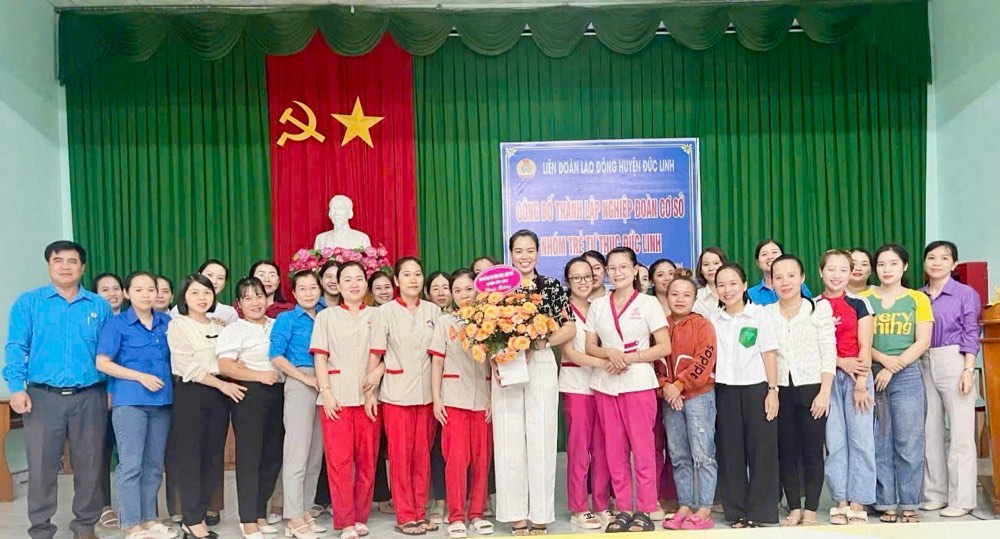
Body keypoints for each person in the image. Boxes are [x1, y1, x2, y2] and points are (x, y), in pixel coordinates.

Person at [4, 241, 112, 539]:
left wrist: (111, 391)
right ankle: (40, 529)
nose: (65, 266)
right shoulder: (29, 302)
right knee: (41, 467)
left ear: (83, 267)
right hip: (42, 397)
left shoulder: (98, 306)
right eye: (58, 260)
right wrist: (16, 388)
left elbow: (111, 353)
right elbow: (15, 346)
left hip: (90, 395)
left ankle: (85, 526)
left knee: (90, 465)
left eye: (72, 261)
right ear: (48, 265)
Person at [492, 230, 576, 536]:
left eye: (530, 250)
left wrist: (539, 344)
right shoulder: (499, 286)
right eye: (518, 250)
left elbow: (569, 328)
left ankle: (540, 515)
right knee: (508, 438)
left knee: (541, 437)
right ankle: (515, 515)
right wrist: (495, 360)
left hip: (540, 363)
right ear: (510, 253)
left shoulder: (550, 286)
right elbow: (484, 330)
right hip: (507, 364)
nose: (524, 256)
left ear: (538, 253)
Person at [583, 247, 671, 533]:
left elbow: (664, 346)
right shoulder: (598, 305)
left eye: (623, 267)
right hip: (605, 384)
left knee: (644, 449)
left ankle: (645, 508)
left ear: (635, 270)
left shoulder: (647, 304)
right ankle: (623, 508)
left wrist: (629, 358)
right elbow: (589, 346)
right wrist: (609, 353)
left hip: (638, 383)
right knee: (614, 450)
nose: (617, 273)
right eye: (612, 268)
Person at [364, 257, 442, 536]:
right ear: (396, 281)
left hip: (426, 396)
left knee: (422, 455)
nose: (413, 279)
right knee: (400, 456)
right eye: (406, 275)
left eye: (418, 274)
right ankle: (405, 514)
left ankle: (421, 511)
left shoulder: (434, 311)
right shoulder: (385, 312)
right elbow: (376, 352)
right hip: (396, 394)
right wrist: (370, 391)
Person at [96, 271, 176, 539]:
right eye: (139, 290)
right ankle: (130, 524)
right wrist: (140, 376)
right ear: (128, 294)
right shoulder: (117, 324)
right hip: (130, 402)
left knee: (154, 465)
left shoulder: (167, 322)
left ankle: (150, 518)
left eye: (151, 290)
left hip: (163, 403)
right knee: (131, 465)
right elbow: (103, 363)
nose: (146, 295)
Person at [167, 274, 247, 539]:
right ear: (184, 297)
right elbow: (186, 366)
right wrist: (222, 385)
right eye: (195, 293)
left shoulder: (220, 324)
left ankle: (199, 513)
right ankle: (192, 519)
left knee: (213, 457)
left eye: (207, 292)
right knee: (191, 458)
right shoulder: (178, 325)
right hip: (193, 394)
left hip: (219, 397)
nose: (202, 298)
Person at [859, 244, 933, 524]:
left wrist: (894, 366)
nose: (886, 269)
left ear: (904, 266)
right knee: (879, 440)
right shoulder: (864, 298)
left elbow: (923, 341)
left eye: (892, 264)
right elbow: (861, 340)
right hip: (871, 371)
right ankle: (886, 502)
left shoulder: (917, 299)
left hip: (908, 374)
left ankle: (910, 502)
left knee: (909, 440)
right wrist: (883, 362)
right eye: (881, 264)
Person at [765, 255, 836, 527]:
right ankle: (794, 506)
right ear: (771, 282)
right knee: (787, 451)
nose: (785, 282)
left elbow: (829, 350)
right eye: (778, 277)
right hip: (781, 390)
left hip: (813, 389)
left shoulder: (819, 309)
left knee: (812, 451)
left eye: (791, 276)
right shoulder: (767, 314)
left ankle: (812, 509)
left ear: (803, 277)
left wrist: (825, 391)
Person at [312, 262, 382, 539]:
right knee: (340, 462)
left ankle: (359, 515)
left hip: (369, 398)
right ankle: (344, 521)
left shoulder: (379, 315)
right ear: (337, 286)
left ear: (366, 284)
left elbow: (392, 353)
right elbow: (320, 356)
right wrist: (326, 392)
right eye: (347, 280)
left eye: (359, 279)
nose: (354, 284)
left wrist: (378, 371)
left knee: (367, 461)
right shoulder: (326, 317)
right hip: (336, 397)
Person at [710, 263, 780, 528]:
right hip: (725, 391)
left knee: (762, 452)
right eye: (721, 285)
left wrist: (773, 391)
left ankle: (761, 512)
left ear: (743, 284)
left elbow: (769, 354)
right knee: (730, 454)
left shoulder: (759, 316)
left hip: (757, 389)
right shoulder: (713, 321)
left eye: (732, 283)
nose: (727, 290)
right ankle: (736, 512)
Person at [429, 269, 496, 539]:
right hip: (453, 399)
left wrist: (493, 397)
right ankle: (456, 515)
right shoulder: (446, 323)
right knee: (455, 461)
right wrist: (437, 398)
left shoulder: (489, 320)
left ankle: (477, 513)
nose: (464, 295)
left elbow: (495, 361)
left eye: (469, 289)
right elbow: (437, 362)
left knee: (482, 460)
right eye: (458, 291)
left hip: (483, 401)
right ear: (452, 296)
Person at [216, 277, 284, 538]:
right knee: (250, 457)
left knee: (273, 456)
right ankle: (247, 519)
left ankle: (260, 513)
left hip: (278, 395)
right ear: (239, 304)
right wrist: (259, 375)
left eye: (259, 296)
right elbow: (226, 366)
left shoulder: (277, 325)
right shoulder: (236, 329)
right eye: (248, 297)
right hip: (250, 395)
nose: (255, 302)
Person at [919, 241, 981, 517]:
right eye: (931, 257)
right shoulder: (918, 296)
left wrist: (968, 369)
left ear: (954, 264)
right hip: (923, 360)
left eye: (944, 258)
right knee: (930, 431)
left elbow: (971, 331)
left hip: (954, 360)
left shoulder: (965, 294)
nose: (936, 262)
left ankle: (962, 499)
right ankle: (935, 494)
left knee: (960, 433)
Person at [657, 269, 718, 531]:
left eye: (686, 295)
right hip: (670, 399)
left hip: (698, 396)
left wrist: (680, 384)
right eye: (674, 294)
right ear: (666, 296)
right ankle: (684, 503)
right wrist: (666, 388)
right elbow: (655, 364)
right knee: (678, 454)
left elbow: (705, 359)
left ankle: (704, 507)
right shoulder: (660, 326)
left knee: (703, 453)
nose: (680, 299)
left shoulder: (702, 324)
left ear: (694, 298)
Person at [819, 249, 876, 525]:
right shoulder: (813, 305)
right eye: (831, 269)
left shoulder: (860, 304)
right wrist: (841, 362)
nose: (837, 275)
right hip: (827, 379)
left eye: (844, 270)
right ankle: (840, 500)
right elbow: (814, 349)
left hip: (858, 379)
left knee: (862, 440)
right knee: (835, 441)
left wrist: (862, 384)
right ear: (821, 272)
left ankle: (858, 501)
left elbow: (866, 346)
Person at [270, 271, 327, 539]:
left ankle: (305, 510)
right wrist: (304, 377)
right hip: (300, 382)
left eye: (312, 287)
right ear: (293, 293)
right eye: (301, 288)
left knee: (316, 453)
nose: (308, 293)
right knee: (297, 452)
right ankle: (292, 517)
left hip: (326, 383)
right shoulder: (287, 319)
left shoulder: (327, 315)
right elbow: (276, 356)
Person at [557, 257, 610, 530]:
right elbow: (570, 353)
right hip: (576, 385)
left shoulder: (601, 308)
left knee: (602, 448)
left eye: (587, 276)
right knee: (579, 449)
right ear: (567, 281)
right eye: (576, 278)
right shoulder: (563, 310)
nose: (582, 282)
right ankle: (579, 507)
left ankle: (601, 504)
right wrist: (605, 362)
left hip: (603, 386)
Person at [92, 271, 124, 529]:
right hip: (99, 396)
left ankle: (131, 507)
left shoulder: (130, 321)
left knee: (129, 454)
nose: (112, 293)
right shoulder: (94, 324)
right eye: (105, 289)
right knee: (100, 453)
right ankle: (103, 506)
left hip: (127, 397)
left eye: (116, 288)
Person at [365, 270, 394, 514]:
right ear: (370, 293)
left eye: (387, 287)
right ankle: (381, 495)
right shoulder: (369, 316)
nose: (384, 291)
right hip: (371, 387)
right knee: (376, 444)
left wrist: (382, 368)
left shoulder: (398, 312)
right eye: (378, 288)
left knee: (394, 446)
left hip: (397, 385)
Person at [170, 259, 239, 327]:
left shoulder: (229, 313)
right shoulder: (178, 310)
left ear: (225, 283)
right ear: (198, 275)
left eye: (220, 278)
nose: (214, 281)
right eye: (209, 275)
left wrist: (223, 329)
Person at [747, 239, 812, 305]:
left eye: (774, 252)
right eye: (764, 254)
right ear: (758, 263)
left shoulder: (800, 287)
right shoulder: (750, 294)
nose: (770, 257)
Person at [692, 247, 727, 318]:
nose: (711, 268)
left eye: (716, 263)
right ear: (700, 269)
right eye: (706, 264)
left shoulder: (734, 293)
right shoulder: (696, 296)